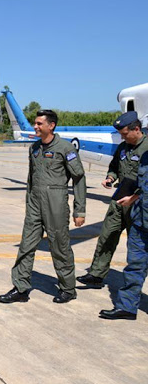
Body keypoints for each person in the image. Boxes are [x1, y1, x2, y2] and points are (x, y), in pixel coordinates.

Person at [0, 109, 86, 304]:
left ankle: (68, 288)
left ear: (51, 125)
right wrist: (29, 203)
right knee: (26, 246)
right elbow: (31, 179)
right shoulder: (35, 148)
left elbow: (79, 180)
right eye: (35, 123)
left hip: (56, 203)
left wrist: (80, 210)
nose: (35, 127)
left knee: (59, 246)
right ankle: (20, 287)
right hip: (35, 205)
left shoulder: (66, 149)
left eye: (39, 124)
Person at [77, 111, 148, 288]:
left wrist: (135, 197)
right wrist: (110, 178)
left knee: (137, 247)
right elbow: (114, 167)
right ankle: (96, 274)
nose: (122, 137)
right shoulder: (123, 147)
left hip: (139, 204)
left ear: (136, 129)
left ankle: (134, 285)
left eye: (124, 134)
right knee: (107, 236)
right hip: (119, 202)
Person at [100, 150, 148, 320]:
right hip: (140, 221)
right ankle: (127, 307)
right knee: (134, 266)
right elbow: (143, 187)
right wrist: (133, 198)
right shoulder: (145, 156)